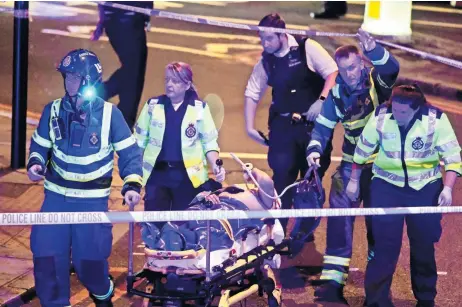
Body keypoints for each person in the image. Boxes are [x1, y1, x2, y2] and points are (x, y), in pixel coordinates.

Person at [26, 49, 143, 306]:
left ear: (89, 81)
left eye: (75, 78)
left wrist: (132, 184)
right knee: (47, 256)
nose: (69, 82)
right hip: (56, 198)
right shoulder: (52, 110)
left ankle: (103, 293)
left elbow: (130, 155)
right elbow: (39, 147)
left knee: (89, 261)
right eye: (67, 77)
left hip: (91, 203)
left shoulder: (111, 115)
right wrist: (35, 164)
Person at [306, 28, 400, 304]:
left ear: (362, 63)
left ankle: (378, 289)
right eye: (343, 69)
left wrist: (374, 49)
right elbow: (322, 130)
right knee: (339, 219)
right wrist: (314, 150)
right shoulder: (336, 95)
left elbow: (392, 69)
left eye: (353, 67)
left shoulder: (376, 81)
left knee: (379, 227)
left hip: (381, 165)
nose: (349, 74)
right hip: (351, 162)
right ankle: (332, 285)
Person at [347, 85, 461, 307]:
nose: (396, 115)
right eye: (394, 110)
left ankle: (426, 299)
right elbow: (362, 149)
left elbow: (453, 158)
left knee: (423, 247)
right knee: (384, 248)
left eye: (402, 112)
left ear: (416, 109)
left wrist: (447, 188)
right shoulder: (381, 115)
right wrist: (353, 179)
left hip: (424, 188)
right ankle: (376, 301)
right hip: (387, 186)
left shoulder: (435, 119)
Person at [244, 13, 338, 233]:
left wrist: (322, 101)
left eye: (268, 39)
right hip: (283, 128)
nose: (264, 43)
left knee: (309, 184)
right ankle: (277, 235)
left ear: (282, 35)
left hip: (311, 128)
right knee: (282, 183)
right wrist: (249, 128)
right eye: (261, 38)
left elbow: (332, 73)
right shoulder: (266, 60)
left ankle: (303, 236)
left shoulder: (307, 48)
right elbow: (252, 91)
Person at [134, 62, 226, 228]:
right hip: (157, 176)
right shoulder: (152, 106)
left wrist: (216, 165)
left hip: (187, 178)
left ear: (187, 85)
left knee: (184, 228)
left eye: (175, 81)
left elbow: (210, 143)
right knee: (154, 227)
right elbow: (139, 143)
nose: (169, 84)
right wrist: (133, 176)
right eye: (167, 79)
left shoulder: (199, 109)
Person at [91, 1, 153, 129]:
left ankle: (122, 118)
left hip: (124, 19)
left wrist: (103, 20)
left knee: (133, 70)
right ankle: (121, 119)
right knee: (134, 72)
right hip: (127, 20)